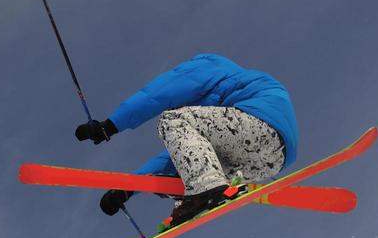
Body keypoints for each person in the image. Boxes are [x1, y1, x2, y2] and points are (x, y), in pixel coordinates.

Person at [73, 53, 299, 228]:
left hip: (257, 123)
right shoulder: (216, 109)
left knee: (172, 120)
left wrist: (110, 125)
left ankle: (204, 189)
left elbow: (159, 93)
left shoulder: (209, 66)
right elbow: (181, 153)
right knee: (190, 163)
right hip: (272, 159)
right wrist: (127, 189)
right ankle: (196, 198)